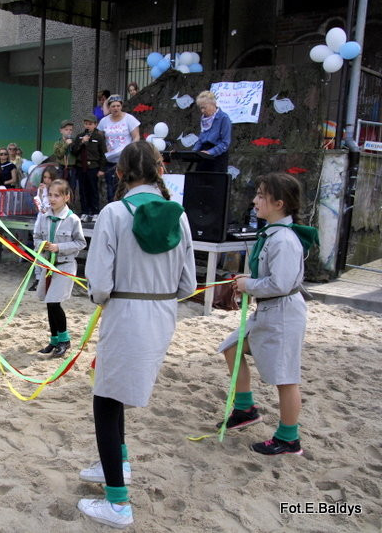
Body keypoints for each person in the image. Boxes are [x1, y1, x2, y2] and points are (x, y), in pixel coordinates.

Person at [77, 141, 196, 529]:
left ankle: (118, 503)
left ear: (121, 172)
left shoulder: (113, 212)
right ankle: (119, 465)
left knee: (106, 399)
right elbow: (187, 284)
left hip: (126, 311)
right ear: (159, 169)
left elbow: (99, 284)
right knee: (116, 391)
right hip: (162, 312)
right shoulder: (179, 217)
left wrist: (106, 294)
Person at [216, 172, 317, 456]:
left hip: (282, 313)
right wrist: (248, 283)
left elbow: (281, 283)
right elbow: (271, 277)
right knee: (232, 347)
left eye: (262, 196)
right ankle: (246, 409)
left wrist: (249, 284)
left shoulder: (284, 239)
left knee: (285, 377)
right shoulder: (273, 234)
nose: (255, 200)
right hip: (268, 310)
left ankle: (288, 438)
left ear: (280, 203)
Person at [32, 178, 86, 357]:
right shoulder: (44, 216)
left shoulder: (72, 219)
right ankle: (54, 340)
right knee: (49, 303)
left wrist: (59, 247)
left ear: (66, 197)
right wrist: (42, 245)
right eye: (50, 195)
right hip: (47, 266)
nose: (52, 199)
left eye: (57, 195)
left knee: (55, 302)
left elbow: (80, 242)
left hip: (64, 266)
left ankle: (65, 339)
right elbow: (36, 237)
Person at [99, 94, 140, 203]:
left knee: (126, 185)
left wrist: (130, 150)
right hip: (110, 159)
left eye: (118, 106)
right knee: (111, 187)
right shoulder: (104, 121)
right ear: (109, 107)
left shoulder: (129, 119)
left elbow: (136, 136)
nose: (116, 108)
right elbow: (99, 137)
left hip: (125, 159)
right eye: (113, 106)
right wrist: (104, 148)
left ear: (121, 106)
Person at [71, 114, 107, 223]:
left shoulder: (99, 137)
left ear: (95, 125)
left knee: (93, 190)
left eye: (90, 124)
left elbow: (103, 154)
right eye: (86, 124)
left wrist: (101, 169)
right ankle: (85, 211)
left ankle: (95, 211)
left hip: (93, 167)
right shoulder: (80, 136)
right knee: (82, 190)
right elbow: (74, 151)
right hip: (81, 167)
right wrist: (82, 142)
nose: (88, 126)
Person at [193, 90, 232, 173]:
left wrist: (210, 152)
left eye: (204, 107)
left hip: (218, 157)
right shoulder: (203, 119)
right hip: (203, 155)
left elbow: (225, 143)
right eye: (200, 108)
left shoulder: (224, 118)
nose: (202, 111)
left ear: (213, 104)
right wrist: (194, 153)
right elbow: (201, 139)